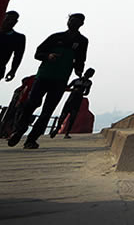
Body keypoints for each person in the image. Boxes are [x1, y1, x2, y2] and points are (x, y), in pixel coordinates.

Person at [7, 13, 88, 150]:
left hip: (61, 80)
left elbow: (80, 60)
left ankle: (32, 139)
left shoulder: (82, 41)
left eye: (76, 21)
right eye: (71, 20)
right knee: (31, 104)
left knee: (47, 110)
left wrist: (79, 71)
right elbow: (38, 53)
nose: (72, 23)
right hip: (44, 76)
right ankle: (19, 131)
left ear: (81, 24)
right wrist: (48, 56)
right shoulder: (55, 37)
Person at [51, 67, 94, 138]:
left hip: (76, 100)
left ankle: (64, 132)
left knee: (70, 116)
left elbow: (86, 93)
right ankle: (60, 130)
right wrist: (74, 90)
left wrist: (78, 92)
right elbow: (67, 88)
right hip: (72, 99)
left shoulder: (86, 82)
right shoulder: (78, 81)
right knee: (65, 115)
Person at [1, 10, 25, 82]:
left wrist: (13, 70)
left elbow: (18, 56)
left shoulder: (18, 38)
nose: (9, 22)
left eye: (12, 20)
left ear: (15, 22)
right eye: (7, 19)